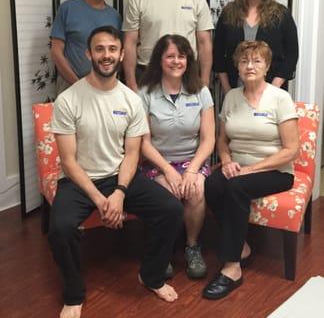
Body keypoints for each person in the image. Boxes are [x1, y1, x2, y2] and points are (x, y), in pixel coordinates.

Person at [49, 26, 184, 318]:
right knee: (59, 228)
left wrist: (120, 192)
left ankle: (151, 276)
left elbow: (133, 153)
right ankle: (74, 293)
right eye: (99, 49)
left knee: (171, 209)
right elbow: (69, 162)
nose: (106, 55)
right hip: (78, 180)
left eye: (112, 49)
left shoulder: (131, 100)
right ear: (89, 54)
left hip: (119, 176)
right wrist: (101, 200)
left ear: (122, 54)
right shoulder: (68, 100)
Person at [203, 40, 299, 300]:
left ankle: (232, 267)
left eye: (257, 61)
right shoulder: (232, 96)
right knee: (211, 184)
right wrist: (226, 160)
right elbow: (223, 139)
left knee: (236, 186)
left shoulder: (280, 98)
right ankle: (242, 245)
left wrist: (251, 169)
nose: (250, 66)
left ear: (267, 66)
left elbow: (291, 150)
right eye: (244, 61)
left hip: (276, 171)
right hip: (239, 169)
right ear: (237, 66)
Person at [139, 34, 215, 279]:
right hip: (157, 161)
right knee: (167, 195)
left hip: (192, 160)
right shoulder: (145, 93)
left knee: (196, 191)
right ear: (159, 60)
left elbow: (208, 139)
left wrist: (192, 170)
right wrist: (168, 170)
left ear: (188, 60)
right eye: (169, 56)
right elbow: (143, 142)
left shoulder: (201, 91)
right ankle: (165, 248)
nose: (176, 61)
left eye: (181, 56)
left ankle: (192, 246)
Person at [213, 0, 298, 93]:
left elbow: (292, 54)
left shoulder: (281, 14)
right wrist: (227, 89)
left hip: (272, 89)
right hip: (235, 90)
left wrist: (273, 88)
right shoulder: (228, 13)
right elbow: (217, 53)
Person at [51, 0, 122, 94]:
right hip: (70, 87)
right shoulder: (67, 8)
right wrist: (79, 85)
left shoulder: (115, 16)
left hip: (104, 89)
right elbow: (56, 51)